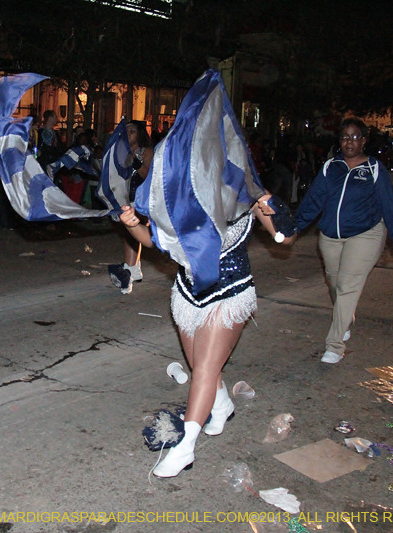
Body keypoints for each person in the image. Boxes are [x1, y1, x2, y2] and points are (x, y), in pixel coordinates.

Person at [119, 178, 289, 479]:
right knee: (201, 366)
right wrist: (131, 224)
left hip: (230, 293)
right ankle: (221, 405)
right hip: (187, 292)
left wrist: (275, 210)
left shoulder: (249, 190)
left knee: (206, 370)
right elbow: (151, 240)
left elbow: (286, 238)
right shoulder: (183, 186)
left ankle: (184, 448)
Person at [294, 118, 393, 364]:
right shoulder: (330, 167)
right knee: (334, 283)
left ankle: (335, 345)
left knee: (347, 285)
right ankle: (345, 315)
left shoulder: (374, 169)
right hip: (331, 237)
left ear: (364, 140)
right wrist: (295, 228)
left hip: (366, 234)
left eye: (355, 136)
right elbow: (314, 201)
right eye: (345, 136)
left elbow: (389, 205)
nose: (349, 141)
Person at [108, 121, 153, 294]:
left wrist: (135, 162)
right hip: (125, 197)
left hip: (141, 197)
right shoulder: (121, 151)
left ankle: (129, 271)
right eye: (126, 131)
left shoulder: (146, 151)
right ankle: (134, 269)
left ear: (140, 134)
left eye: (132, 131)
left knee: (133, 233)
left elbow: (149, 174)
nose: (128, 134)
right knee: (129, 233)